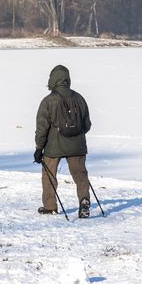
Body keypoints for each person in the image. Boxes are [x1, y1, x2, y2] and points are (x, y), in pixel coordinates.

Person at [34, 65, 92, 218]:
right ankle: (84, 201)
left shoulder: (48, 101)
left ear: (52, 79)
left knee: (49, 175)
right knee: (80, 175)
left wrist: (39, 148)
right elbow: (87, 124)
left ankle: (50, 206)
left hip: (54, 146)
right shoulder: (79, 98)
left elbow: (42, 127)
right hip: (77, 146)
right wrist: (76, 135)